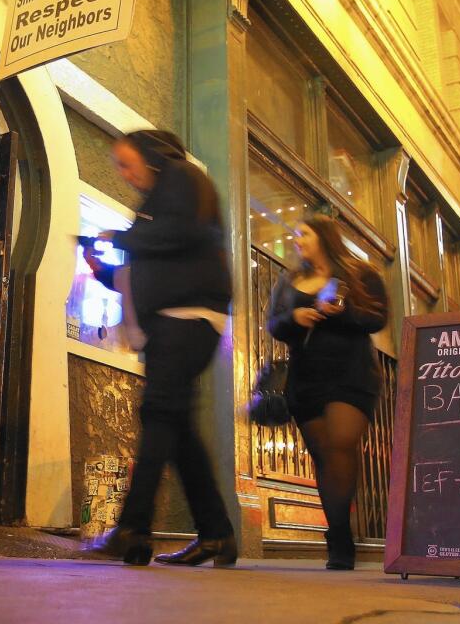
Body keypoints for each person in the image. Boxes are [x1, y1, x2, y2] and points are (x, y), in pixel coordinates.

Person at [83, 130, 236, 566]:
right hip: (175, 320)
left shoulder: (181, 176)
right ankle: (217, 536)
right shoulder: (160, 201)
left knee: (158, 412)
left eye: (127, 164)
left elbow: (180, 234)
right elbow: (157, 264)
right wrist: (105, 273)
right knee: (178, 429)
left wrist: (122, 236)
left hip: (186, 318)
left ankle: (133, 529)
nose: (124, 175)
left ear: (151, 157)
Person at [267, 215, 389, 570]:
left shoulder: (360, 273)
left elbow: (377, 318)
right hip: (306, 377)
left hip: (351, 374)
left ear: (324, 236)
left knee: (340, 443)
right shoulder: (290, 281)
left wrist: (337, 311)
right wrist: (297, 317)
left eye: (303, 233)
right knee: (323, 456)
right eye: (295, 234)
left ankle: (339, 540)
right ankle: (338, 532)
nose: (296, 239)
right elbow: (274, 324)